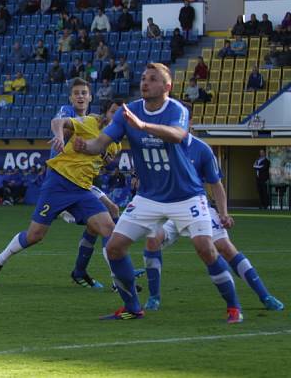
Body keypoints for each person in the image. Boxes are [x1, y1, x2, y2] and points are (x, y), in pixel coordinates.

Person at [74, 64, 244, 323]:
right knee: (115, 248)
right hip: (149, 197)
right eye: (143, 78)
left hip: (186, 195)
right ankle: (133, 307)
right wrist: (84, 146)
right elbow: (100, 144)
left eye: (152, 79)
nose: (145, 83)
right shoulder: (128, 112)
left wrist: (143, 126)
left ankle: (234, 307)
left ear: (167, 87)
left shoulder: (176, 109)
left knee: (205, 249)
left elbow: (177, 135)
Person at [0, 97, 124, 288]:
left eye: (121, 112)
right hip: (58, 184)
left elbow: (98, 160)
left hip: (82, 189)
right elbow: (58, 122)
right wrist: (59, 136)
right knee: (35, 235)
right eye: (113, 111)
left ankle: (119, 279)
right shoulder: (90, 122)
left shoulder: (116, 144)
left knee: (108, 228)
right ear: (105, 113)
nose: (117, 116)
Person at [142, 132, 284, 312]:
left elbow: (216, 184)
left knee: (225, 247)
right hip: (170, 209)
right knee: (152, 238)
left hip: (197, 208)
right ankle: (154, 298)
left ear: (188, 121)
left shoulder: (201, 149)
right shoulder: (159, 146)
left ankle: (265, 296)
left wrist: (224, 213)